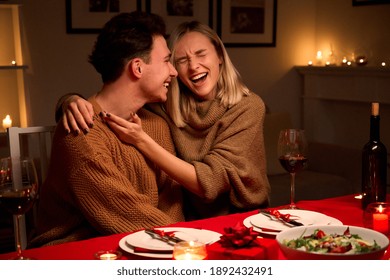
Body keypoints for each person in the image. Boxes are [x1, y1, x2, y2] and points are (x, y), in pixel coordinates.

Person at [57, 21, 270, 220]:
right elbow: (116, 98)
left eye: (201, 54)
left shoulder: (248, 107)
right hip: (190, 223)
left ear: (220, 56)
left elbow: (212, 180)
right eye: (179, 61)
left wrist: (141, 140)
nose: (193, 66)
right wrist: (70, 101)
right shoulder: (164, 105)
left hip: (242, 217)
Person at [31, 12, 184, 247]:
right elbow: (129, 215)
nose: (174, 72)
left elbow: (172, 200)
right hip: (74, 253)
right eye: (166, 61)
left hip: (146, 246)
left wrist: (181, 247)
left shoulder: (156, 126)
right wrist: (190, 242)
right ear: (138, 68)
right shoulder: (80, 131)